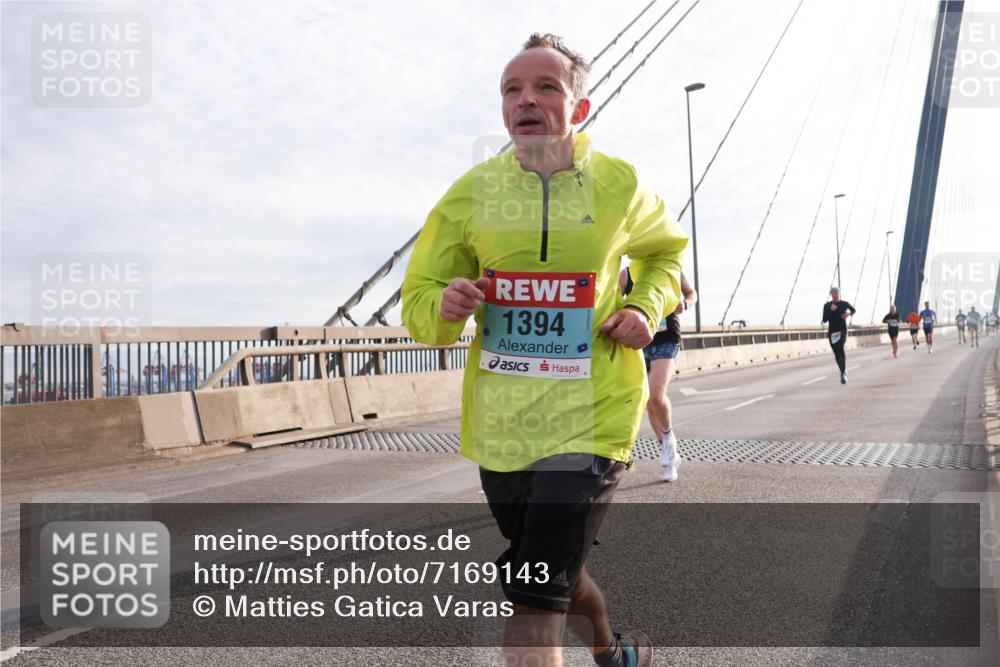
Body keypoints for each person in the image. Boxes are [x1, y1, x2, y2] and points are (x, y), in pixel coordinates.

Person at [402, 33, 687, 667]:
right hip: (504, 427)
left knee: (531, 603)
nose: (525, 100)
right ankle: (614, 650)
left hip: (594, 414)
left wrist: (645, 305)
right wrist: (443, 306)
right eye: (512, 90)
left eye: (545, 87)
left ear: (578, 109)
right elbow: (418, 300)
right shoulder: (470, 193)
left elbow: (665, 252)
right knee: (549, 573)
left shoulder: (620, 184)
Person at [620, 267, 697, 482]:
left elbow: (691, 293)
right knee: (648, 402)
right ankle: (667, 447)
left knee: (656, 394)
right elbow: (613, 301)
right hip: (638, 341)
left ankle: (669, 443)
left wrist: (685, 304)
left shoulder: (670, 269)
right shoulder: (626, 275)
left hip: (667, 339)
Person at [822, 287, 856, 384]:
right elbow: (824, 319)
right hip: (832, 332)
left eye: (837, 293)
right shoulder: (827, 305)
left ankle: (843, 372)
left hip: (842, 331)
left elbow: (853, 310)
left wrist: (848, 314)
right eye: (833, 294)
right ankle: (842, 370)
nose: (835, 295)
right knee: (837, 354)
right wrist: (830, 310)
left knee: (840, 348)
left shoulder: (844, 304)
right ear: (831, 295)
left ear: (840, 294)